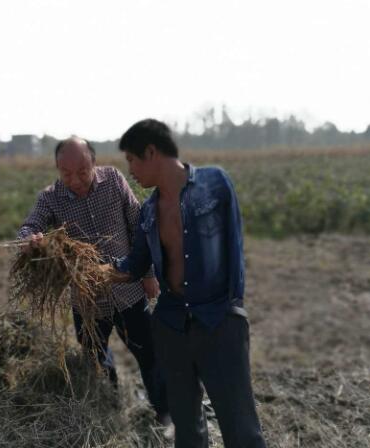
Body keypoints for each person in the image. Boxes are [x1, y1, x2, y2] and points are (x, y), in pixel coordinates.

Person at [104, 119, 267, 448]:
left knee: (240, 425)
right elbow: (134, 266)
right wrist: (92, 270)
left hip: (218, 319)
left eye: (132, 160)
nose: (131, 171)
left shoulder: (215, 183)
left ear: (151, 152)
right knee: (187, 428)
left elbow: (234, 247)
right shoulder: (149, 211)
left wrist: (232, 311)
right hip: (172, 324)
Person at [17, 136, 169, 421]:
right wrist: (29, 239)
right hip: (88, 302)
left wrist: (148, 273)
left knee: (150, 355)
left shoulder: (113, 181)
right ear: (58, 169)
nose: (75, 180)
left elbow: (138, 226)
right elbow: (30, 225)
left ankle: (166, 414)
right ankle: (111, 415)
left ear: (94, 163)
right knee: (97, 362)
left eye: (82, 172)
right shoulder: (50, 198)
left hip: (128, 292)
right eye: (66, 174)